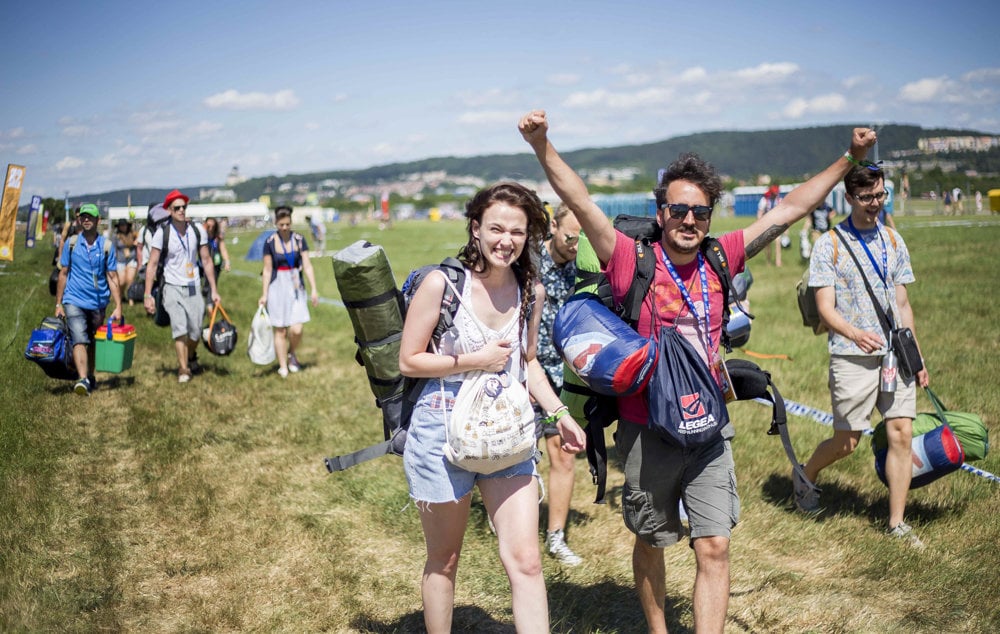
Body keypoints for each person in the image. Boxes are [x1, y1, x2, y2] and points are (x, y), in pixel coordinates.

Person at [520, 109, 876, 633]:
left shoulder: (721, 256)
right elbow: (579, 201)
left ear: (710, 217)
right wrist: (542, 144)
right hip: (646, 429)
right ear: (661, 213)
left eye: (701, 212)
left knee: (714, 545)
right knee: (653, 539)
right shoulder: (627, 259)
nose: (690, 221)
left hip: (709, 427)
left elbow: (795, 206)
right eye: (679, 210)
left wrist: (851, 158)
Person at [398, 182, 587, 633]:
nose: (506, 241)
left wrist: (560, 415)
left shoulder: (530, 289)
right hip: (442, 429)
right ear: (475, 228)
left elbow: (528, 363)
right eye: (497, 228)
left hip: (509, 431)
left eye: (517, 232)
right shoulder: (441, 284)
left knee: (526, 559)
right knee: (445, 559)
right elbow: (409, 359)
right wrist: (472, 361)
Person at [794, 163, 930, 547]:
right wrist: (856, 334)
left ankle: (897, 523)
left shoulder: (893, 240)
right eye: (867, 197)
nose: (874, 203)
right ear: (849, 198)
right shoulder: (830, 245)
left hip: (895, 356)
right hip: (851, 355)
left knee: (901, 433)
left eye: (880, 195)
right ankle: (805, 474)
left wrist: (916, 356)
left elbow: (902, 302)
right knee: (847, 441)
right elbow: (825, 308)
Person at [534, 202, 584, 566]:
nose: (576, 246)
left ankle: (555, 537)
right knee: (510, 454)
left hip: (562, 379)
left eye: (583, 239)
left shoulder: (585, 269)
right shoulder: (527, 262)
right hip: (522, 375)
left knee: (564, 453)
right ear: (553, 226)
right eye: (570, 236)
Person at [142, 190, 221, 383]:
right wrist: (147, 294)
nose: (181, 210)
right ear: (169, 210)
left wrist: (214, 290)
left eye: (184, 207)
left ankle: (191, 355)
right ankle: (184, 369)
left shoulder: (197, 231)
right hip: (171, 286)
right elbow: (152, 264)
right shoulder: (162, 233)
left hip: (193, 285)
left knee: (195, 332)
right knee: (180, 328)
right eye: (176, 207)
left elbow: (207, 260)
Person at [54, 203, 122, 395]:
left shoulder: (106, 246)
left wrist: (118, 305)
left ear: (98, 220)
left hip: (98, 303)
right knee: (78, 338)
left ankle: (90, 375)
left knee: (91, 340)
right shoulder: (72, 243)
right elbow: (63, 273)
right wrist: (59, 303)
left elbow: (112, 277)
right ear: (79, 220)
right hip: (73, 299)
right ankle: (82, 379)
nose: (86, 220)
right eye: (83, 217)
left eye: (90, 217)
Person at [258, 206, 319, 377]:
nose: (284, 228)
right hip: (277, 287)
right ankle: (283, 365)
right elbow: (267, 270)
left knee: (297, 329)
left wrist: (314, 288)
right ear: (276, 223)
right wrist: (264, 294)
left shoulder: (299, 239)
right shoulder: (269, 242)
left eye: (287, 224)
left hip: (296, 286)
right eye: (281, 224)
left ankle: (292, 352)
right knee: (280, 329)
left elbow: (307, 265)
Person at [111, 218, 141, 305]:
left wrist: (136, 242)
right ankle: (120, 295)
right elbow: (113, 248)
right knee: (122, 281)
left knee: (130, 279)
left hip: (131, 259)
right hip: (120, 260)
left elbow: (139, 240)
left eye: (124, 225)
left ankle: (131, 298)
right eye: (121, 225)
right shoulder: (116, 236)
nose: (123, 227)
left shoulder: (133, 234)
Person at [756, 184, 783, 266]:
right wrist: (759, 224)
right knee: (767, 244)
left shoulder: (779, 200)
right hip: (766, 224)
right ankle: (768, 261)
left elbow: (782, 213)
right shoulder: (764, 200)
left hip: (776, 224)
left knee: (778, 242)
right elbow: (760, 213)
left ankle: (778, 262)